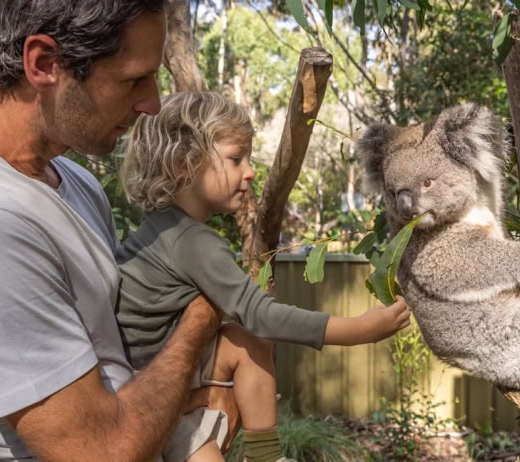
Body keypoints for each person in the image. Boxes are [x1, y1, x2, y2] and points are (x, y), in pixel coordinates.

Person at [0, 1, 236, 460]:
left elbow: (118, 354)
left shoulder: (73, 182)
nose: (152, 102)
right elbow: (101, 451)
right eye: (134, 78)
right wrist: (202, 316)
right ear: (44, 64)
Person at [116, 92, 413, 462]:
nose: (250, 171)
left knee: (246, 341)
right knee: (253, 334)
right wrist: (358, 331)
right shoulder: (193, 242)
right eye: (235, 159)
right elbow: (262, 314)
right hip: (152, 389)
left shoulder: (159, 228)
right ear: (184, 162)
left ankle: (266, 456)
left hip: (156, 374)